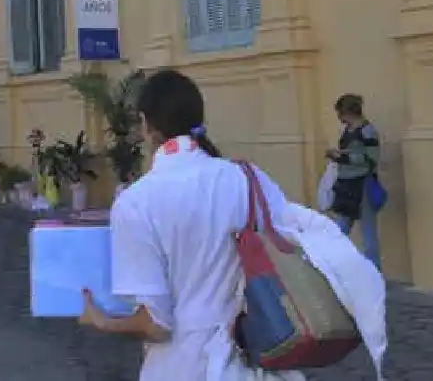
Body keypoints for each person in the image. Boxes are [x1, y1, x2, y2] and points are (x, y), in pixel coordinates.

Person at [77, 69, 296, 381]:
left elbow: (156, 324)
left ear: (145, 124)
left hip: (181, 367)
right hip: (253, 360)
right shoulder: (247, 178)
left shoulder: (137, 202)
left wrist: (102, 321)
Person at [326, 93, 381, 270]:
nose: (339, 117)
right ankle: (332, 266)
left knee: (368, 232)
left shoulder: (367, 130)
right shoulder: (348, 130)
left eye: (340, 113)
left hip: (362, 183)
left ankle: (374, 273)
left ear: (347, 112)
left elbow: (372, 157)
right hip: (346, 183)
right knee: (340, 228)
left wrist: (342, 158)